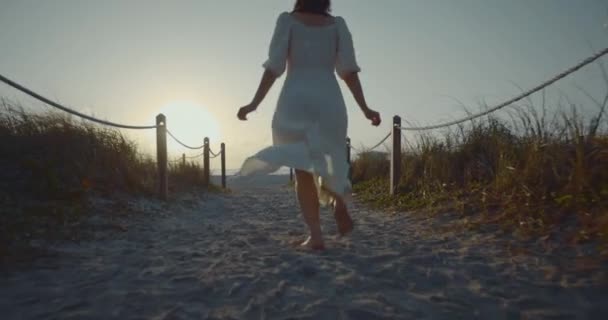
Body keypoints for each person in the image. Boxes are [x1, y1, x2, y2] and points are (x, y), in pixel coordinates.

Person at [237, 0, 381, 250]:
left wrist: (253, 103)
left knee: (303, 170)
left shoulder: (287, 21)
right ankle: (339, 204)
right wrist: (366, 109)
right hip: (329, 101)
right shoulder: (338, 25)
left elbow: (274, 67)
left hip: (295, 98)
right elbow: (349, 71)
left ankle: (315, 236)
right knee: (331, 159)